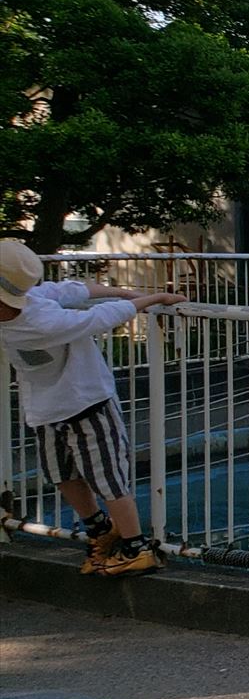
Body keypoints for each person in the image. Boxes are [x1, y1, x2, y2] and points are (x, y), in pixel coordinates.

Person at [0, 240, 184, 575]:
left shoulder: (43, 320)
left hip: (87, 400)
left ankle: (136, 546)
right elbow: (72, 289)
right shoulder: (33, 301)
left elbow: (100, 317)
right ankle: (100, 529)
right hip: (45, 407)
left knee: (108, 477)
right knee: (61, 473)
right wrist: (124, 292)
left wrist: (150, 299)